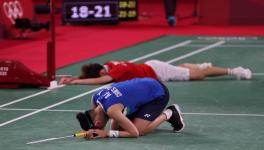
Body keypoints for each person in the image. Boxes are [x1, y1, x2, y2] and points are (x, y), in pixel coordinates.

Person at [76, 77, 185, 139]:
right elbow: (115, 115)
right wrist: (114, 129)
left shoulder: (112, 110)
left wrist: (106, 133)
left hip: (158, 94)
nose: (99, 129)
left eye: (97, 127)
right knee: (120, 129)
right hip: (146, 84)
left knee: (140, 130)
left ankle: (170, 112)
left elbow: (134, 134)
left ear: (98, 123)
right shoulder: (95, 97)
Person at [59, 60, 252, 85]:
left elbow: (103, 80)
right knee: (186, 69)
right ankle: (192, 65)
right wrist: (74, 77)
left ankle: (235, 69)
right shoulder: (109, 64)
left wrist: (76, 82)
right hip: (153, 68)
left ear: (102, 70)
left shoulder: (117, 69)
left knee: (199, 76)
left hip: (158, 71)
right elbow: (99, 76)